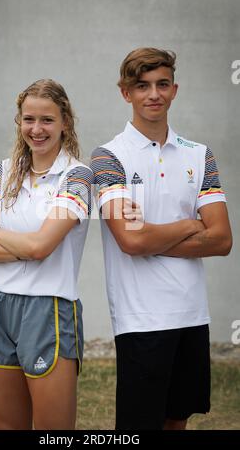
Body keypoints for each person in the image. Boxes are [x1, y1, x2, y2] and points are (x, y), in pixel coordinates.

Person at [91, 48, 232, 430]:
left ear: (174, 89)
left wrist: (152, 233)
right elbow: (130, 242)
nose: (153, 94)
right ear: (126, 93)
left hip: (191, 313)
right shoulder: (107, 157)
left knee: (177, 420)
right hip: (140, 318)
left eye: (162, 84)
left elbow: (221, 239)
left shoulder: (200, 155)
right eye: (142, 86)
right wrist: (190, 225)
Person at [0, 79, 93, 430]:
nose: (37, 129)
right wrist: (28, 245)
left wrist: (0, 234)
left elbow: (41, 247)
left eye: (47, 120)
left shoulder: (77, 176)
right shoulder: (4, 172)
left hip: (47, 307)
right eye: (29, 119)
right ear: (19, 122)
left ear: (65, 122)